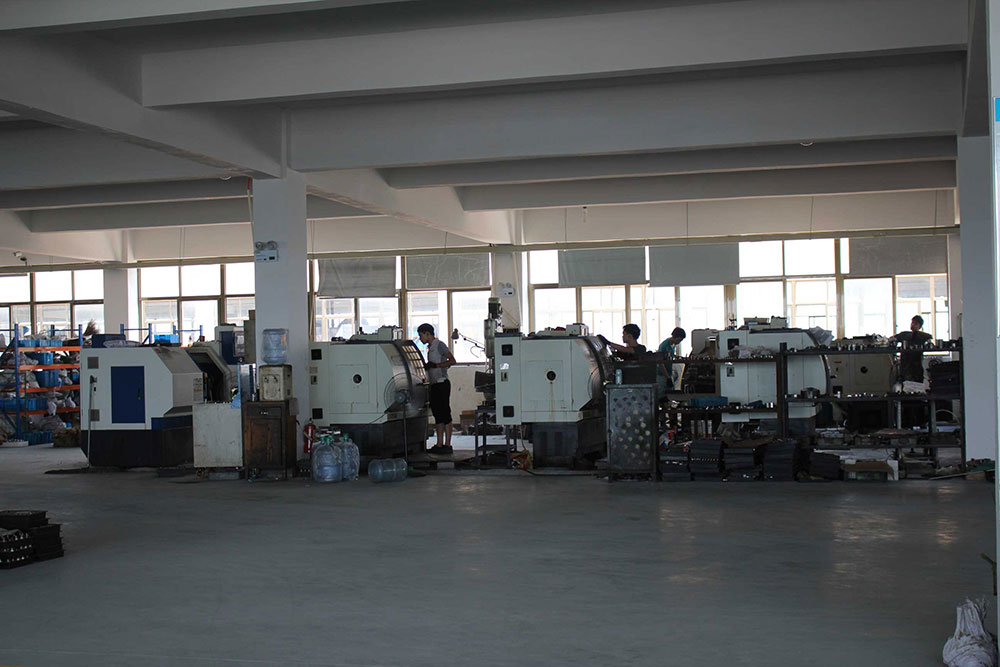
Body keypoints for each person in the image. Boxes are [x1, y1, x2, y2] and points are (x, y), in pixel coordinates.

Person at [417, 323, 456, 454]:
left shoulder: (439, 345)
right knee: (438, 414)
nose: (420, 339)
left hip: (442, 383)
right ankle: (439, 444)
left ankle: (447, 444)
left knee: (445, 414)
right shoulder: (430, 348)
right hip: (434, 384)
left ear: (427, 334)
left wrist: (437, 365)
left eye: (421, 335)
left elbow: (452, 360)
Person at [891, 315, 933, 382]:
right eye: (912, 322)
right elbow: (892, 339)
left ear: (920, 326)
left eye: (916, 323)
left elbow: (930, 340)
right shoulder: (904, 335)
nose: (913, 325)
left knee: (917, 383)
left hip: (916, 365)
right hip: (905, 365)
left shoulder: (922, 336)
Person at [656, 327, 687, 395]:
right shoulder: (664, 345)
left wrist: (680, 358)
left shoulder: (672, 345)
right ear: (675, 337)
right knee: (661, 393)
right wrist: (667, 377)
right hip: (662, 374)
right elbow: (660, 362)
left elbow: (671, 356)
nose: (679, 342)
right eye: (679, 340)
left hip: (669, 373)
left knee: (670, 393)